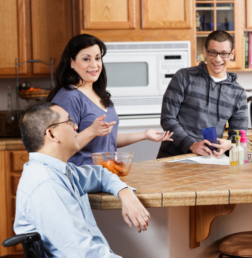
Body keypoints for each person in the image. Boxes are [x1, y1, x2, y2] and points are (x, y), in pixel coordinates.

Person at [14, 102, 208, 258]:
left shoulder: (61, 171)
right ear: (52, 134)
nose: (76, 127)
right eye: (69, 121)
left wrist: (125, 193)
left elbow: (100, 174)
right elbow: (81, 251)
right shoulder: (44, 184)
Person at [47, 34, 173, 166]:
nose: (94, 64)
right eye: (86, 59)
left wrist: (144, 135)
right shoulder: (68, 97)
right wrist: (91, 131)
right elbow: (62, 146)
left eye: (97, 58)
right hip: (81, 178)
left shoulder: (100, 95)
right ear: (71, 62)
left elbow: (108, 139)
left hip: (107, 173)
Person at [157, 30, 248, 159]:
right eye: (213, 52)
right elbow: (167, 118)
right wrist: (192, 145)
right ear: (205, 51)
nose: (217, 59)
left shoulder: (238, 93)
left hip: (210, 162)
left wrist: (228, 144)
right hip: (174, 158)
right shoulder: (184, 77)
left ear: (231, 54)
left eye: (223, 54)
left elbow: (239, 134)